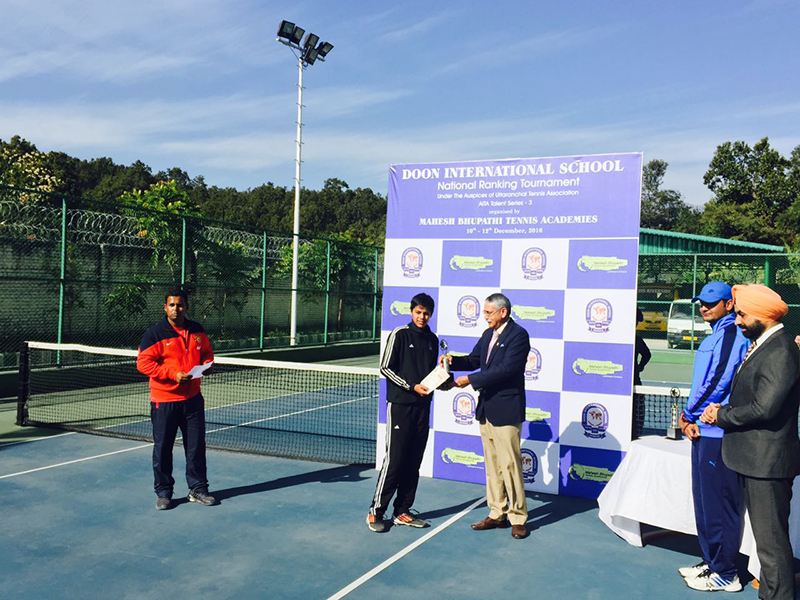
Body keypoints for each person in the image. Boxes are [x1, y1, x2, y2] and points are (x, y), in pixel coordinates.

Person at [701, 284, 800, 600]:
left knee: (771, 546)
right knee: (767, 545)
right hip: (757, 460)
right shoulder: (765, 346)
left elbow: (764, 408)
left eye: (743, 314)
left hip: (767, 464)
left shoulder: (781, 350)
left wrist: (721, 415)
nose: (738, 320)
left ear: (763, 315)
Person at [675, 282, 749, 593]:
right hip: (703, 431)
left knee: (720, 506)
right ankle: (712, 561)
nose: (704, 308)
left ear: (728, 304)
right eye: (701, 303)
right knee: (705, 504)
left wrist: (688, 414)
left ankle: (727, 572)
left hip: (720, 434)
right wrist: (691, 419)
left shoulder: (732, 333)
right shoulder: (716, 334)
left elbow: (719, 380)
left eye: (711, 303)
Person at [444, 292, 530, 540]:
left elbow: (507, 369)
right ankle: (497, 512)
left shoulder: (519, 335)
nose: (485, 317)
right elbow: (474, 360)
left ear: (503, 312)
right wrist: (453, 361)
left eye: (489, 312)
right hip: (487, 409)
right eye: (484, 312)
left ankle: (518, 517)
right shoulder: (487, 334)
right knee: (493, 465)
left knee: (510, 465)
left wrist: (469, 380)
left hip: (507, 409)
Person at [137, 289, 217, 510]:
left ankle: (198, 489)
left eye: (180, 305)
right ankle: (164, 493)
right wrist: (173, 375)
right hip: (164, 401)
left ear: (186, 307)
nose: (176, 309)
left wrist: (207, 365)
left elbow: (206, 353)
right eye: (171, 305)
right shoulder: (154, 334)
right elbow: (143, 363)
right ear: (165, 308)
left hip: (192, 400)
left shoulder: (197, 330)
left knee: (196, 447)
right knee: (163, 448)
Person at [368, 293, 439, 532]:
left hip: (422, 408)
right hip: (400, 406)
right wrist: (411, 386)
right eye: (418, 312)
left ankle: (402, 511)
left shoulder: (432, 339)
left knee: (413, 461)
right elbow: (385, 368)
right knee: (395, 460)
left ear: (431, 314)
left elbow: (431, 374)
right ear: (411, 312)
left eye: (426, 313)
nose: (422, 317)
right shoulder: (399, 334)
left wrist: (442, 380)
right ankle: (376, 511)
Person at [633, 308, 651, 387]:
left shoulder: (637, 340)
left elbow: (647, 354)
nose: (637, 324)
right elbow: (647, 355)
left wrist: (640, 366)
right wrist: (640, 366)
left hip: (634, 378)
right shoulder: (637, 340)